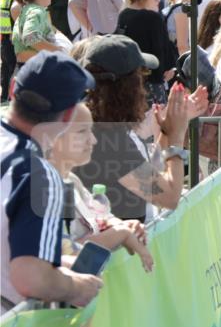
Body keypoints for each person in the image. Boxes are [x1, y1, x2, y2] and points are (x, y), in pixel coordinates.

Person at [1, 51, 104, 312]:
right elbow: (30, 277)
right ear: (68, 117)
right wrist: (77, 287)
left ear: (12, 88)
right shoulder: (40, 175)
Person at [75, 35, 207, 221]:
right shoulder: (106, 135)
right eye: (141, 75)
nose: (144, 87)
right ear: (127, 87)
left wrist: (167, 132)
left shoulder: (100, 122)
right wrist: (177, 136)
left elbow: (150, 172)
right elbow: (168, 197)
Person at [44, 101, 155, 273]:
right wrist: (120, 233)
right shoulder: (46, 190)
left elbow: (99, 217)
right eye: (82, 132)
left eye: (91, 130)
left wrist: (121, 225)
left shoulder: (71, 180)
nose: (93, 140)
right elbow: (66, 254)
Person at [117, 0, 176, 104]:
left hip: (128, 85)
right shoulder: (152, 19)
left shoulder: (123, 15)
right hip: (151, 87)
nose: (158, 1)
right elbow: (164, 58)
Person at [12, 0, 65, 65]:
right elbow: (30, 37)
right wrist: (58, 52)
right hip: (39, 66)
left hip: (28, 65)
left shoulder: (26, 10)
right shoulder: (36, 12)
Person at [1, 0, 33, 100]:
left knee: (7, 74)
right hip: (13, 42)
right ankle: (10, 102)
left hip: (5, 41)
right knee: (15, 76)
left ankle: (5, 100)